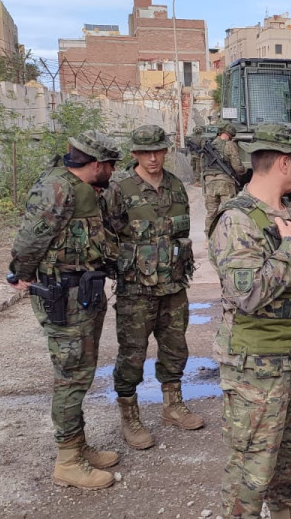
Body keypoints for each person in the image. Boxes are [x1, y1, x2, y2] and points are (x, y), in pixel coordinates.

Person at [209, 122, 291, 519]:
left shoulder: (289, 213)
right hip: (256, 368)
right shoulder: (236, 220)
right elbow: (248, 295)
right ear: (283, 162)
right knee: (251, 468)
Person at [8, 130, 122, 491]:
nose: (113, 173)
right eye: (111, 166)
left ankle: (79, 446)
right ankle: (68, 460)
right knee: (71, 376)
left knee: (82, 371)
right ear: (97, 164)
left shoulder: (78, 189)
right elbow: (32, 237)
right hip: (63, 294)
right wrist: (20, 273)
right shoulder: (58, 188)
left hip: (81, 291)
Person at [104, 125, 203, 451]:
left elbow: (181, 234)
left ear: (166, 151)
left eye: (158, 151)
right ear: (134, 154)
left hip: (173, 285)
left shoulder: (175, 186)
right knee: (132, 354)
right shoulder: (119, 187)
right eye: (145, 152)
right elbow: (106, 233)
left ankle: (173, 404)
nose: (152, 158)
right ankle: (129, 416)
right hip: (136, 289)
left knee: (175, 347)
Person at [202, 121, 247, 235]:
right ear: (231, 134)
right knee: (229, 210)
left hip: (209, 182)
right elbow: (237, 167)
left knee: (211, 212)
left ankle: (208, 238)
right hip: (225, 182)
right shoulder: (230, 145)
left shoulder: (210, 145)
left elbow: (203, 166)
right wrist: (244, 170)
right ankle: (230, 236)